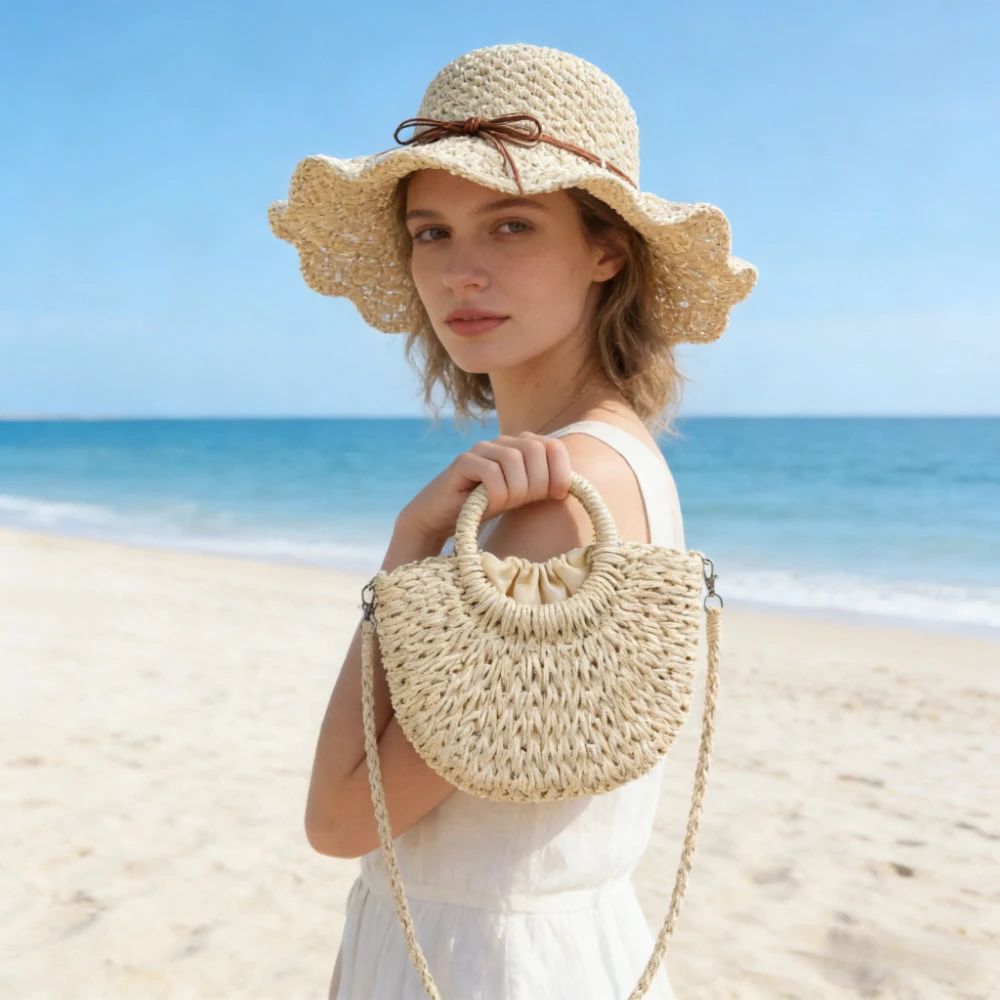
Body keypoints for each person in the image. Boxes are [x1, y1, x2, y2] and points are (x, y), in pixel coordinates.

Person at [269, 42, 756, 1000]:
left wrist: (407, 548)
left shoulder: (560, 500)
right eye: (432, 232)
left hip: (482, 965)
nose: (460, 272)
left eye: (511, 225)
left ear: (608, 250)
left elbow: (341, 817)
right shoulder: (615, 459)